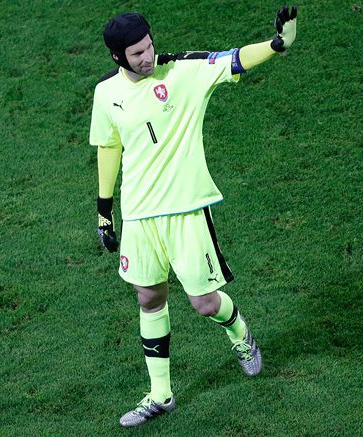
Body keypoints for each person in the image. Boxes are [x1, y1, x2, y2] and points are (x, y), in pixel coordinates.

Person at [89, 5, 297, 428]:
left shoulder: (182, 72)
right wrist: (105, 212)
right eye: (137, 54)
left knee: (204, 304)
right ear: (117, 58)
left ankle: (240, 335)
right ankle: (160, 395)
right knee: (148, 298)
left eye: (149, 47)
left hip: (185, 211)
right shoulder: (105, 93)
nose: (147, 58)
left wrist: (277, 45)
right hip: (140, 217)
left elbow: (234, 58)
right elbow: (108, 148)